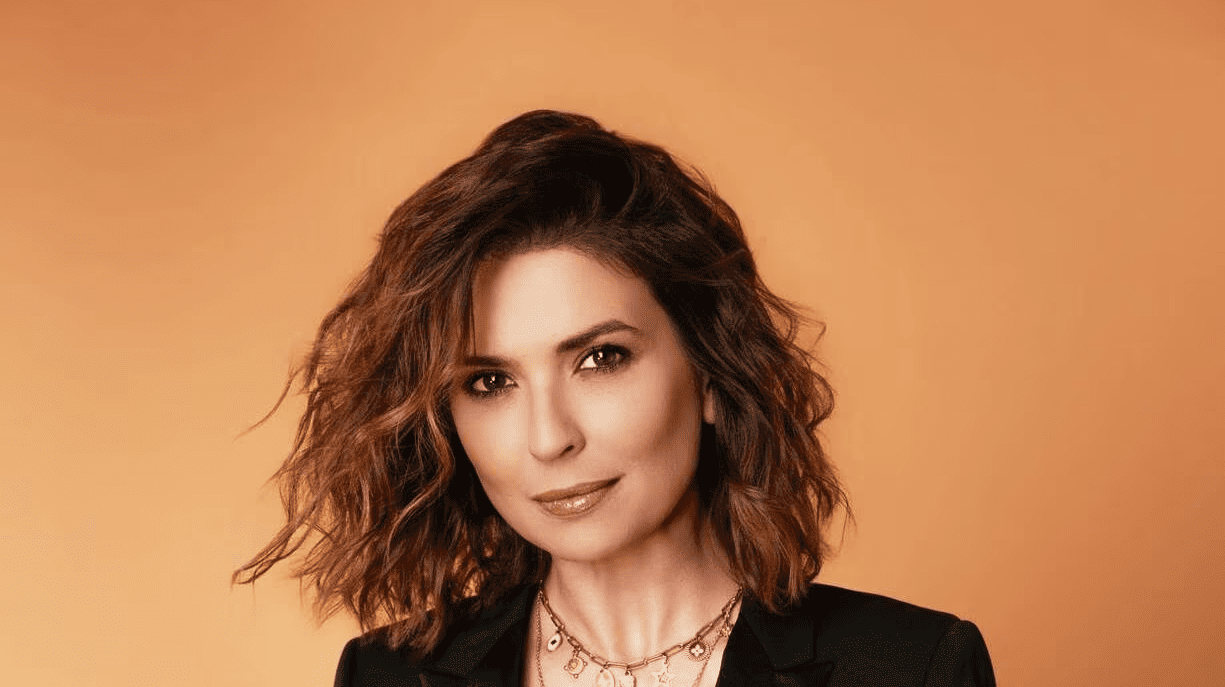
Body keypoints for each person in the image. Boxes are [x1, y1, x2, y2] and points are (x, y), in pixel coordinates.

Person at [233, 110, 996, 687]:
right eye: (489, 381)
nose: (548, 437)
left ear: (709, 371)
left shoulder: (910, 667)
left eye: (600, 358)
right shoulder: (385, 676)